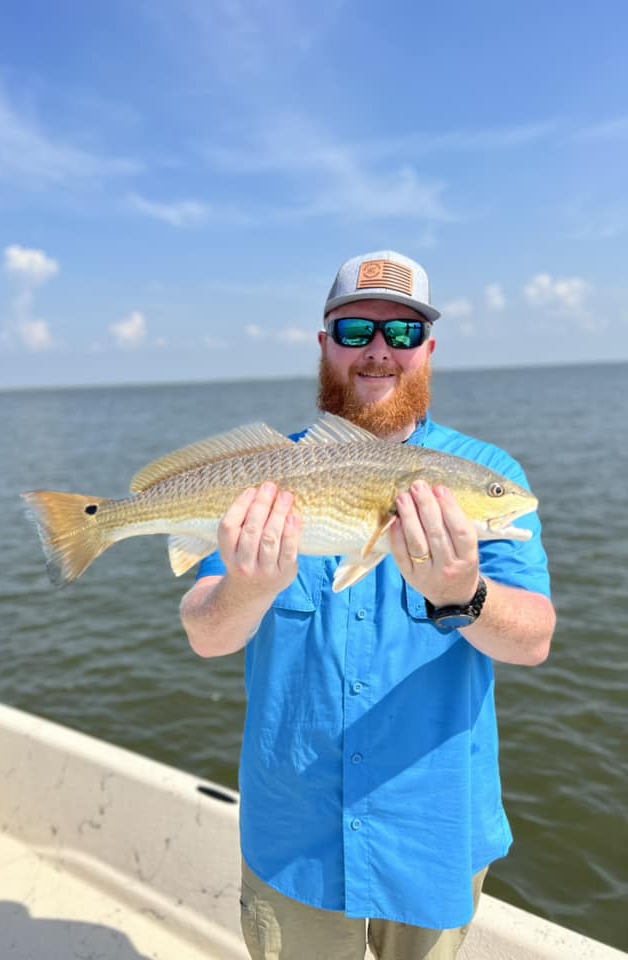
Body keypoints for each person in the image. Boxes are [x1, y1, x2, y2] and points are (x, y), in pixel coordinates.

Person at [180, 249, 556, 960]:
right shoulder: (264, 474)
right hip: (294, 837)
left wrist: (463, 595)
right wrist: (248, 586)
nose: (379, 351)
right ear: (324, 344)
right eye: (356, 331)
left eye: (404, 333)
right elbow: (205, 632)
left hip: (435, 833)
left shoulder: (489, 475)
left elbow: (533, 639)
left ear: (430, 351)